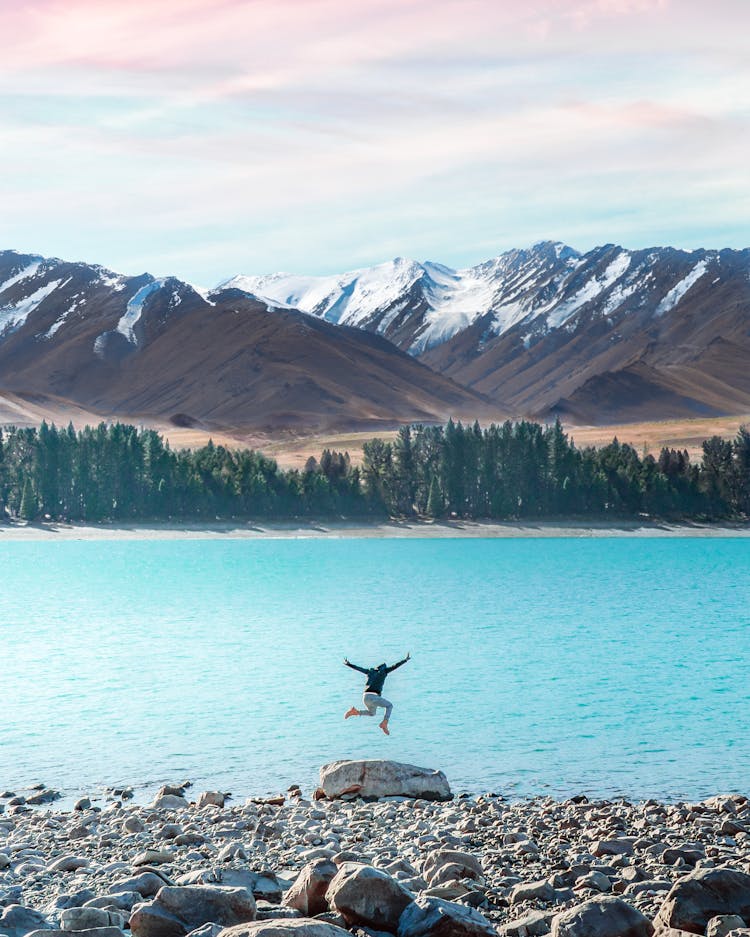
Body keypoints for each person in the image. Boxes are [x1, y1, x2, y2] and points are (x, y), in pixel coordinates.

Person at [343, 653, 411, 735]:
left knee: (372, 713)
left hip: (365, 697)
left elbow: (359, 669)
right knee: (389, 706)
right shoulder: (384, 671)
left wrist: (348, 664)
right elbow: (395, 666)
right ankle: (385, 723)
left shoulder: (370, 671)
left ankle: (355, 712)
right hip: (373, 697)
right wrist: (405, 660)